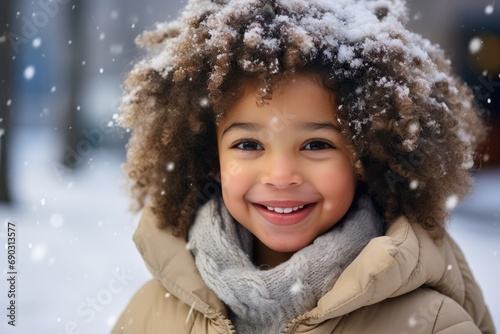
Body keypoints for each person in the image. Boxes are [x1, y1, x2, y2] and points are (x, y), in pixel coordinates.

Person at [112, 0, 495, 333]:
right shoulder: (150, 316)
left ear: (365, 159)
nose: (280, 176)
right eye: (248, 144)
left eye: (316, 144)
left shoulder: (428, 324)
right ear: (211, 159)